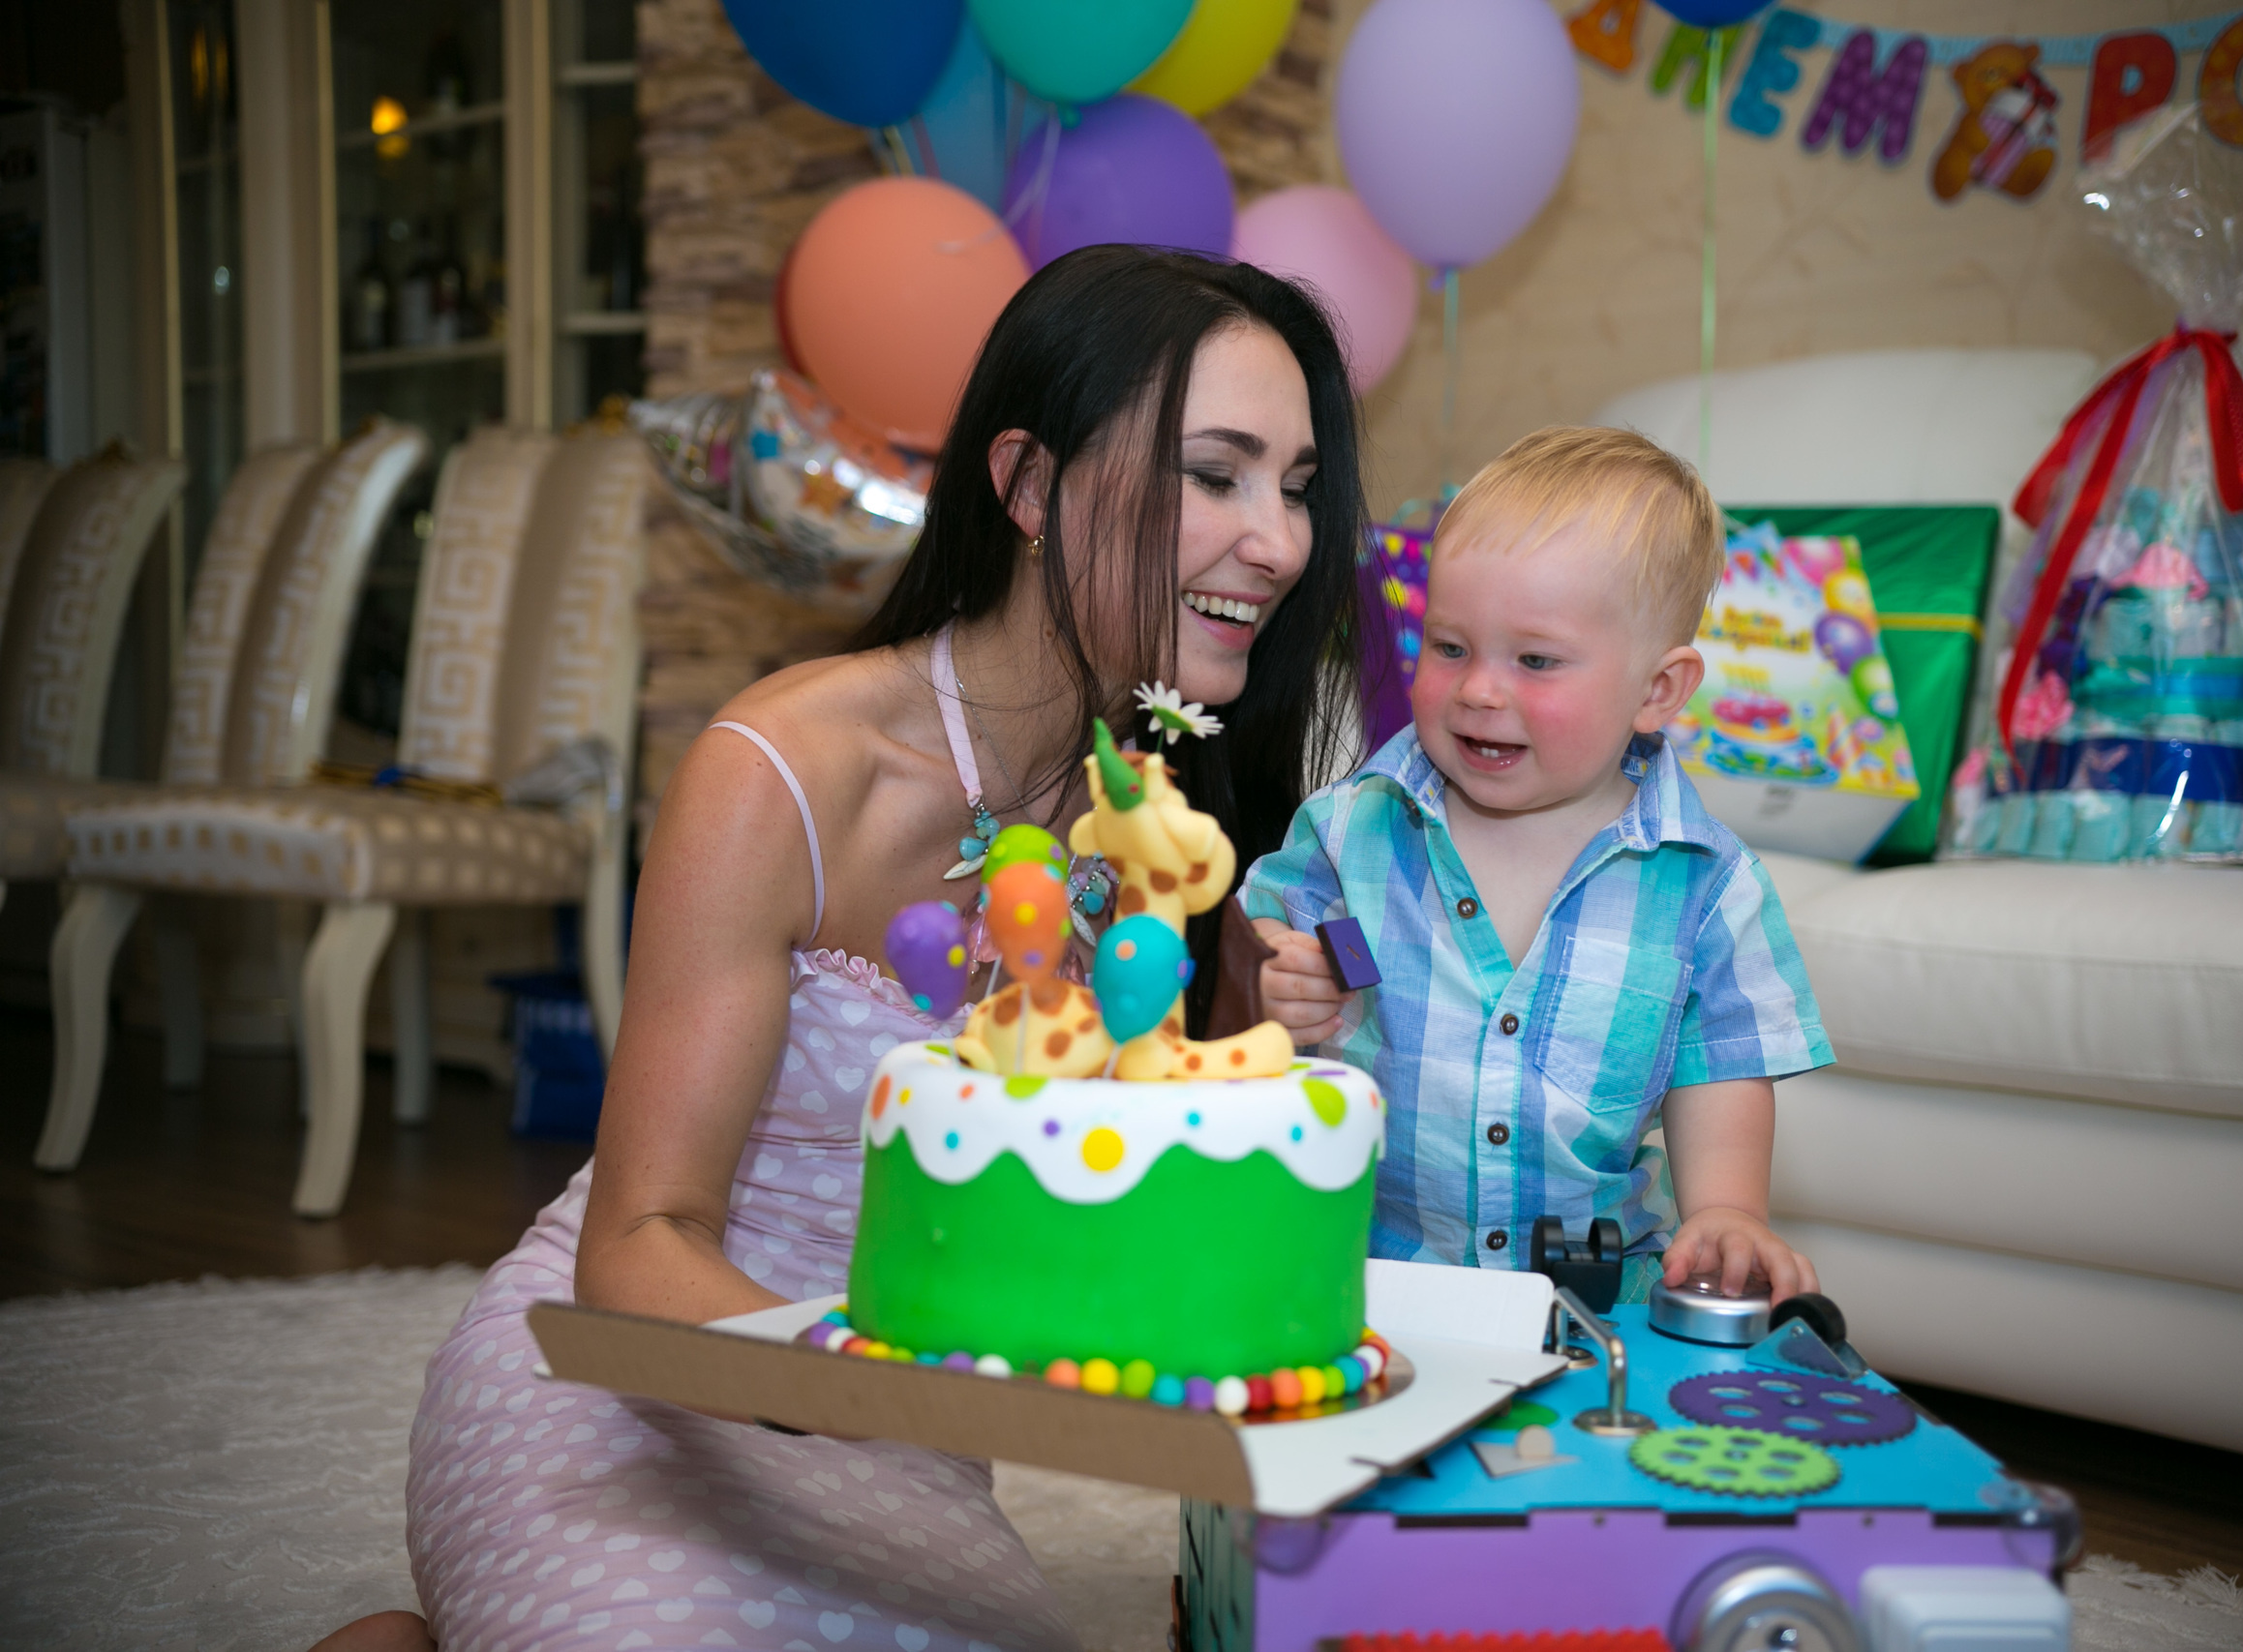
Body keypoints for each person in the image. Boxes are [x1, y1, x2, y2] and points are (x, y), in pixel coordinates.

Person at [317, 245, 1367, 1652]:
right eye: (1216, 473)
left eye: (1296, 488)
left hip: (904, 1443)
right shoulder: (785, 770)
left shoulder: (1174, 829)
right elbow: (636, 1245)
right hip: (632, 1387)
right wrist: (891, 1383)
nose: (1282, 543)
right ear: (1030, 486)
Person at [1243, 426, 1832, 1308]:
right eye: (1450, 648)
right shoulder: (1351, 829)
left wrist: (1727, 1211)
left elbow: (1720, 1068)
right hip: (1365, 1284)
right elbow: (1245, 949)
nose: (1480, 689)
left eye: (1535, 660)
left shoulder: (1706, 886)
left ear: (1657, 691)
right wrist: (1266, 979)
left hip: (1592, 1305)